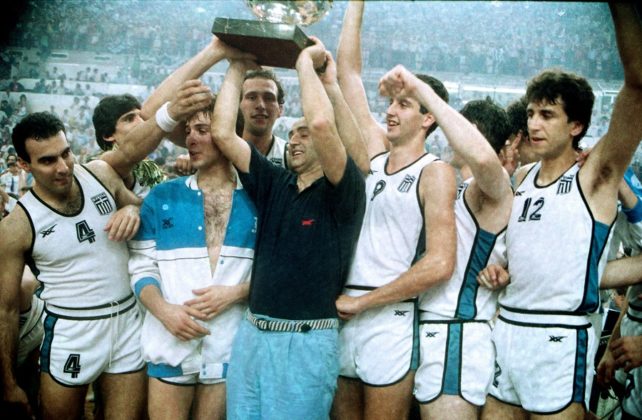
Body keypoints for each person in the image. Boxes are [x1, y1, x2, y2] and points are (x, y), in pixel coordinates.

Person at [479, 5, 642, 419]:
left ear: (576, 126)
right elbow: (521, 256)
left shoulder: (595, 177)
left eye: (547, 115)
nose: (534, 123)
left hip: (559, 335)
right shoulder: (520, 178)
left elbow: (638, 85)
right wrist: (498, 270)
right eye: (531, 113)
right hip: (507, 327)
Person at [210, 37, 366, 419]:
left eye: (304, 134)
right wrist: (236, 66)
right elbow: (223, 133)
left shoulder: (344, 192)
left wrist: (304, 64)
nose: (295, 139)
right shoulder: (274, 182)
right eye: (292, 133)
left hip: (306, 339)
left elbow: (322, 122)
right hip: (252, 334)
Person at [332, 3, 457, 419]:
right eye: (392, 102)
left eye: (404, 104)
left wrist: (366, 303)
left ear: (428, 118)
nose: (390, 110)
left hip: (388, 315)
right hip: (345, 307)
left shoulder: (435, 172)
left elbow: (440, 263)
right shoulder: (373, 152)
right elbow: (348, 73)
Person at [0, 112, 145, 419]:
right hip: (71, 329)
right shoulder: (17, 226)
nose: (63, 167)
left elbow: (140, 208)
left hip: (126, 320)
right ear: (24, 165)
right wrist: (9, 383)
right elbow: (6, 310)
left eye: (66, 153)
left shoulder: (99, 173)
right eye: (48, 160)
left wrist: (133, 209)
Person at [128, 100, 257, 420]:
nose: (191, 139)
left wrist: (236, 293)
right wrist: (164, 311)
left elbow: (276, 269)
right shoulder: (162, 196)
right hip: (169, 342)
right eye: (188, 131)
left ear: (228, 134)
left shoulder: (259, 199)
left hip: (228, 346)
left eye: (202, 130)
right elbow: (142, 266)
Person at [409, 95, 512, 419]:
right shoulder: (454, 188)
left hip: (456, 332)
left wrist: (423, 93)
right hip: (441, 329)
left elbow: (483, 159)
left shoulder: (486, 189)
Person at [93, 36, 252, 196]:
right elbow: (147, 118)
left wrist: (193, 169)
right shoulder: (101, 164)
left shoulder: (147, 167)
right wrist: (215, 52)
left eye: (201, 131)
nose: (141, 122)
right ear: (108, 135)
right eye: (129, 119)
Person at [174, 68, 289, 174]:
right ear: (235, 105)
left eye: (269, 98)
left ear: (280, 109)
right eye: (252, 97)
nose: (260, 105)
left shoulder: (289, 157)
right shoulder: (217, 151)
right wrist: (196, 159)